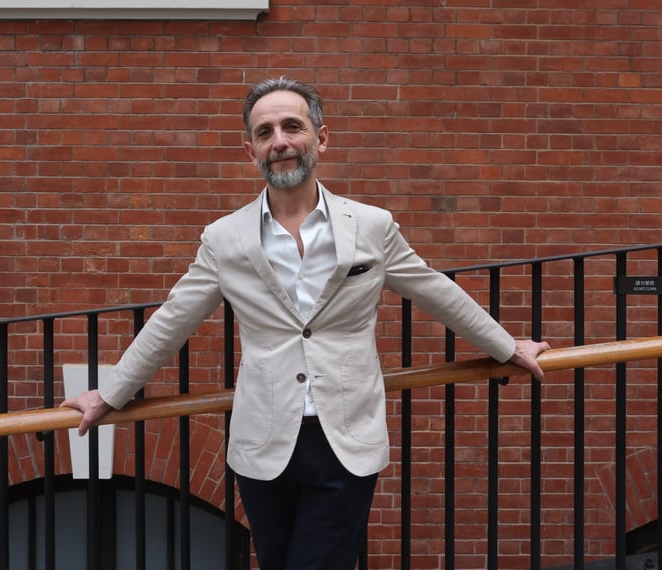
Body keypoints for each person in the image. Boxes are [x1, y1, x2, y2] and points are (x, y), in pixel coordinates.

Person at [63, 76, 550, 570]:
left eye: (291, 127)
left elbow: (434, 290)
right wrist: (109, 394)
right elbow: (174, 320)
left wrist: (508, 345)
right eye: (265, 132)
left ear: (320, 137)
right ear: (250, 150)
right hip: (262, 445)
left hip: (345, 440)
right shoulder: (224, 238)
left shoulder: (372, 226)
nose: (279, 142)